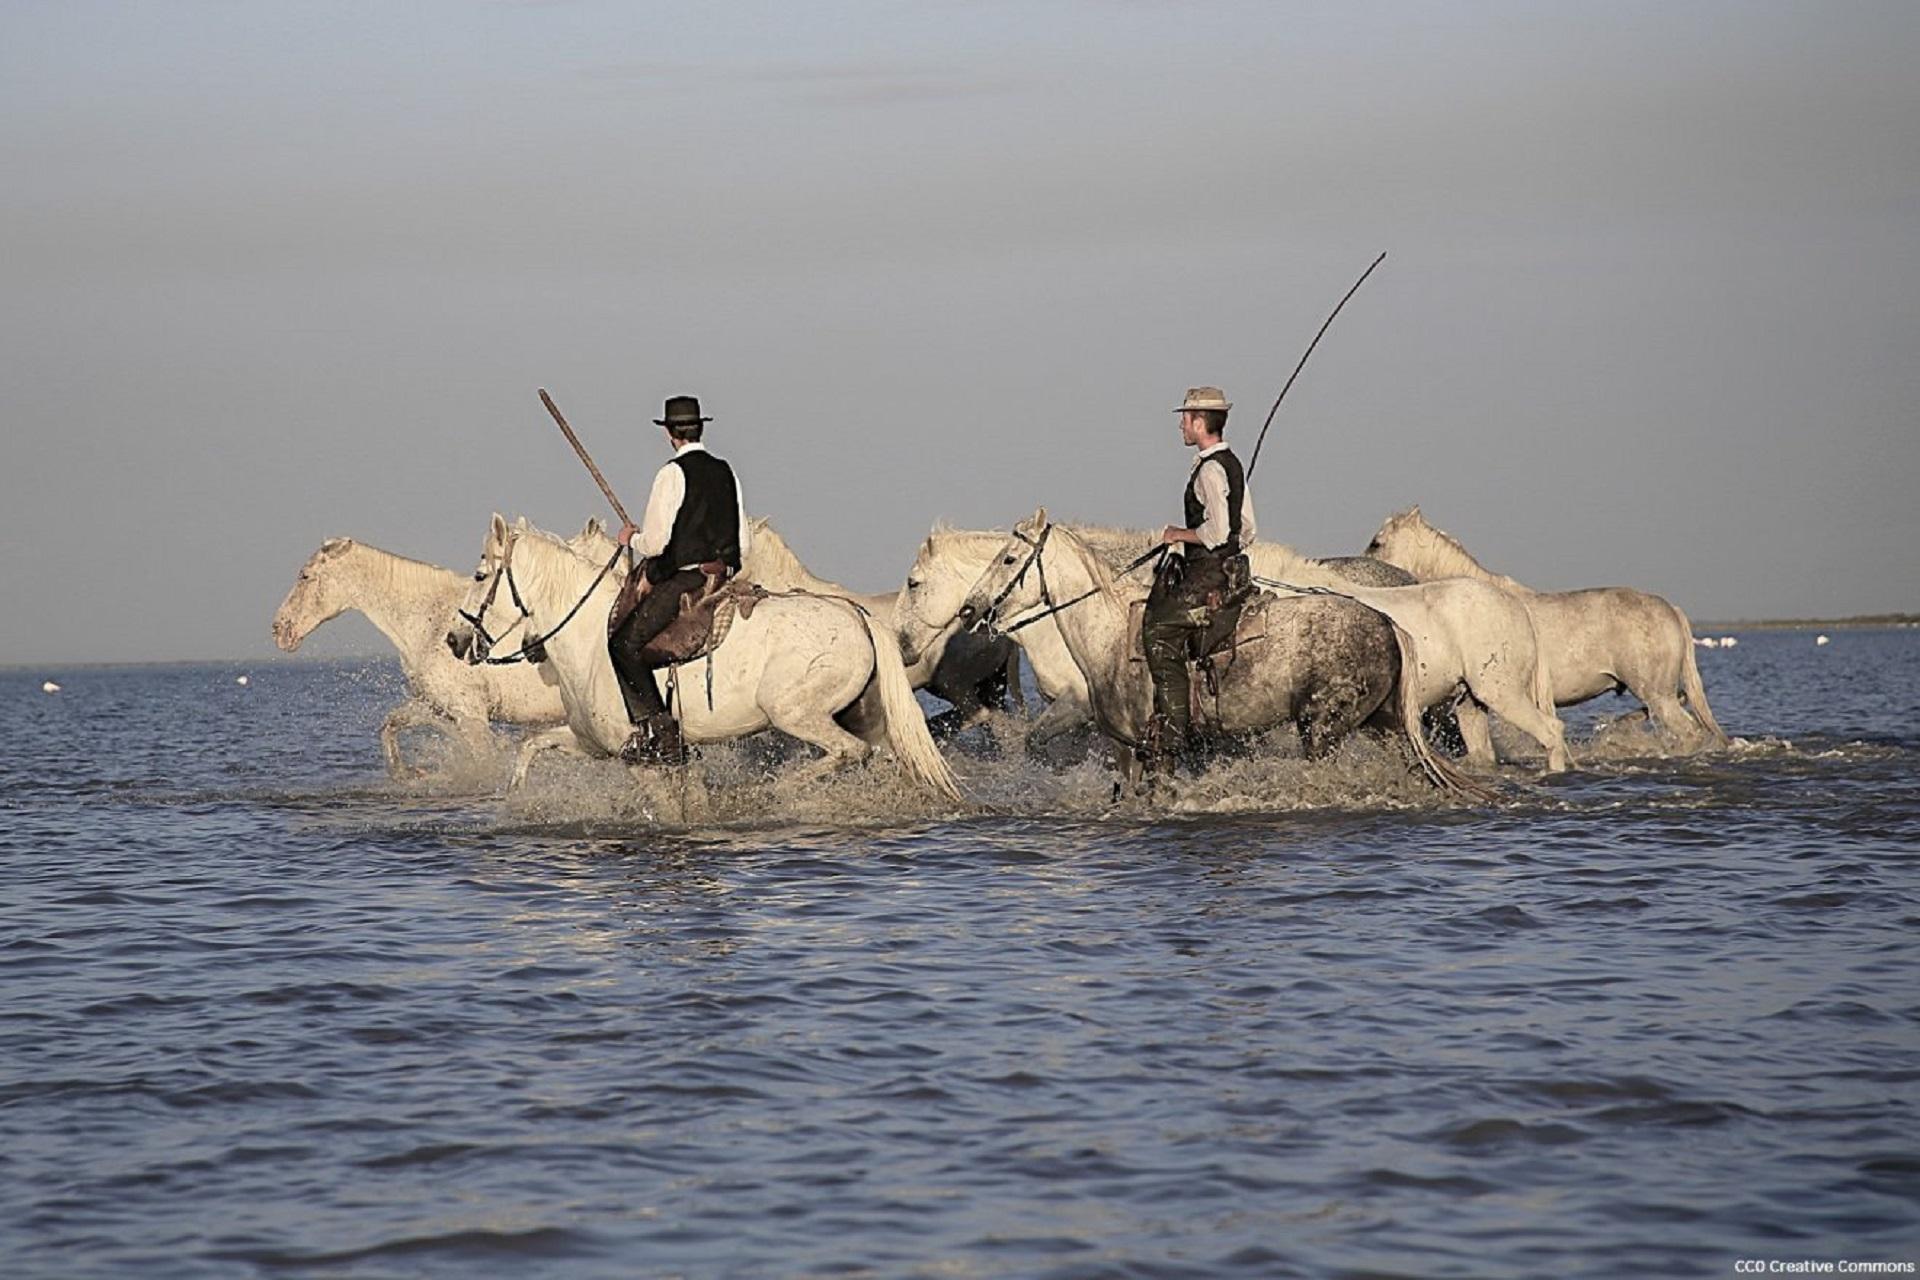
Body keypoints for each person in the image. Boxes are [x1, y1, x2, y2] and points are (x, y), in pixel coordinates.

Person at [608, 394, 752, 765]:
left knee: (622, 646)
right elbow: (745, 543)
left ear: (670, 434)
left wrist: (630, 540)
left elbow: (655, 544)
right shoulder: (727, 471)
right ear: (700, 428)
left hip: (687, 581)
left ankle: (663, 736)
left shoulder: (671, 474)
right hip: (724, 580)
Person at [1141, 386, 1258, 772]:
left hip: (1208, 579)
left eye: (1185, 419)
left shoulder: (1210, 468)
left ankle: (1174, 733)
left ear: (1200, 422)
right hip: (1228, 570)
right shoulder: (1231, 463)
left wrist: (1178, 535)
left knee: (1158, 628)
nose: (1181, 426)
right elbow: (1247, 529)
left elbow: (1220, 532)